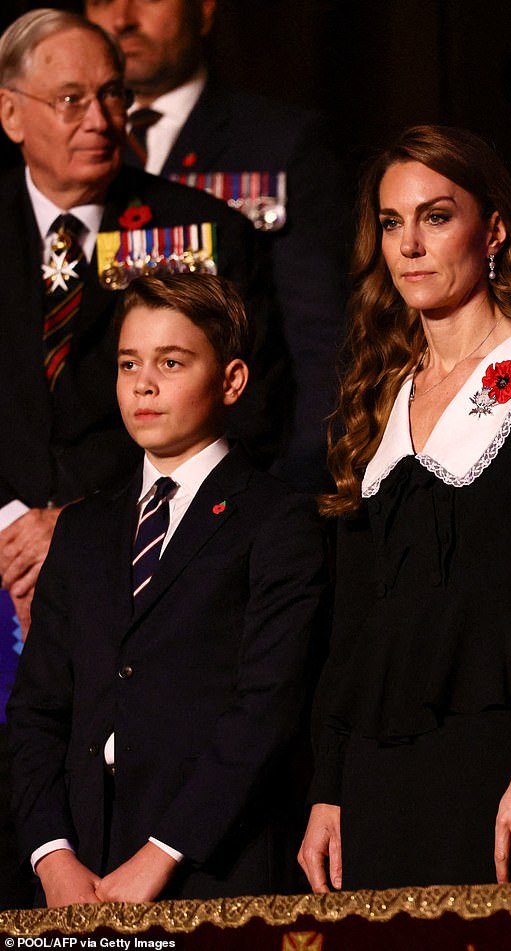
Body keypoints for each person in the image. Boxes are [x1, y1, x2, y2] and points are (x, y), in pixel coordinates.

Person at [297, 125, 511, 891]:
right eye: (391, 222)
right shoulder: (378, 396)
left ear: (493, 230)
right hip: (375, 764)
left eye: (436, 216)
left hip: (496, 750)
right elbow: (351, 624)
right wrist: (327, 785)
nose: (409, 244)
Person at [0, 7, 275, 909]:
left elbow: (227, 412)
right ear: (13, 115)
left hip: (124, 559)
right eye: (71, 97)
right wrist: (11, 520)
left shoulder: (200, 229)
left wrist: (69, 523)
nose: (100, 117)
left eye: (113, 94)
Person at [7, 272, 326, 906]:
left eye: (171, 362)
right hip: (84, 874)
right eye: (129, 364)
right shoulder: (82, 529)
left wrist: (163, 852)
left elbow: (265, 709)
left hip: (212, 872)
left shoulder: (277, 520)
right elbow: (38, 711)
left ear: (231, 380)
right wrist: (51, 856)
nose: (143, 384)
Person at [83, 0, 347, 492]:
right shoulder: (69, 150)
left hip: (243, 481)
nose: (122, 18)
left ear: (204, 11)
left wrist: (289, 493)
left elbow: (321, 344)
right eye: (101, 0)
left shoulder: (277, 142)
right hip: (97, 494)